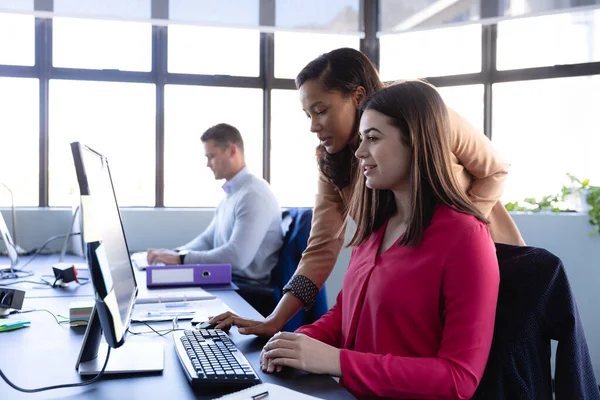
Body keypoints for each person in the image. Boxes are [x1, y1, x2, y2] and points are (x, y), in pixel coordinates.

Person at [210, 47, 523, 335]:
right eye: (308, 115)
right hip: (419, 289)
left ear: (357, 96)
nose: (313, 126)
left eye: (320, 110)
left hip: (485, 266)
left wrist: (455, 236)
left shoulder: (424, 115)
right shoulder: (333, 163)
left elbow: (495, 170)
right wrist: (275, 320)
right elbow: (320, 249)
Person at [260, 80, 500, 399]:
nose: (359, 153)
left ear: (415, 142)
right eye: (361, 139)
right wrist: (296, 344)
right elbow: (344, 314)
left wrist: (337, 361)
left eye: (372, 138)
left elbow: (459, 379)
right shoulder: (375, 229)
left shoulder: (465, 237)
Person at [147, 123, 283, 285]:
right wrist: (174, 253)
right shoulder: (232, 195)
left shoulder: (254, 195)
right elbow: (207, 240)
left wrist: (180, 259)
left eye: (211, 156)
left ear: (232, 150)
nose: (208, 164)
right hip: (229, 281)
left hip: (247, 290)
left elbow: (237, 257)